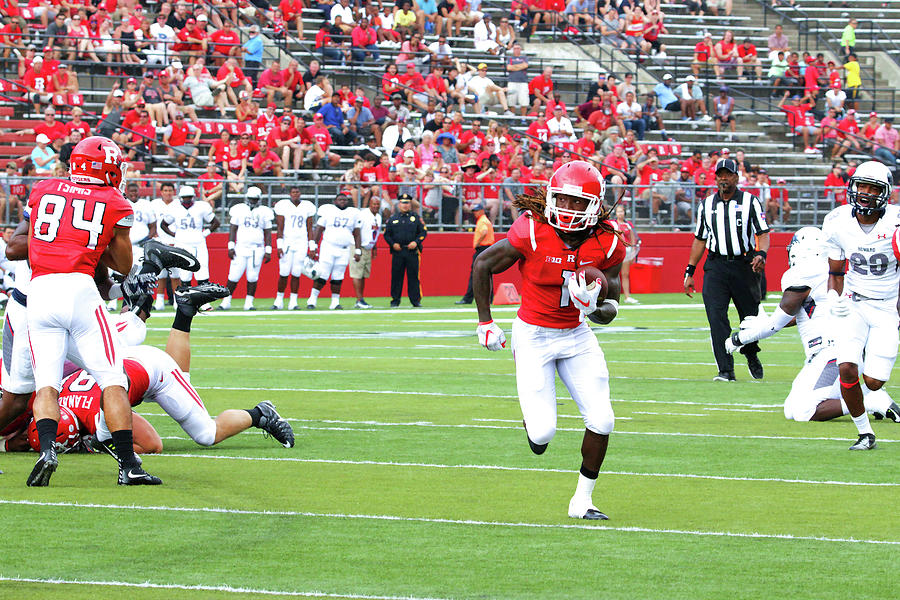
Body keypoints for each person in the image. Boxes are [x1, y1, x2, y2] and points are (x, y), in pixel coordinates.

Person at [471, 160, 624, 520]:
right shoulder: (532, 230)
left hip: (576, 334)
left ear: (596, 206)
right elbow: (482, 264)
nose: (568, 209)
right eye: (564, 200)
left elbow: (612, 303)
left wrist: (594, 306)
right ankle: (532, 420)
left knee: (602, 420)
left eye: (577, 202)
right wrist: (485, 321)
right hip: (534, 334)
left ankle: (582, 500)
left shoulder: (608, 239)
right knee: (541, 437)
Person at [24, 136, 158, 486]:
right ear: (107, 168)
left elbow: (31, 239)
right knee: (112, 379)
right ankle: (128, 464)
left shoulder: (43, 188)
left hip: (39, 290)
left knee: (47, 387)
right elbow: (125, 265)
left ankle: (48, 449)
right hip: (79, 290)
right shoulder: (115, 200)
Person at [725, 227, 900, 424]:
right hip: (844, 352)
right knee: (791, 409)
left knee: (804, 410)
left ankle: (869, 400)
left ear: (802, 249)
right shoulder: (832, 272)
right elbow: (803, 314)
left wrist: (739, 338)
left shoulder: (803, 273)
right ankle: (866, 393)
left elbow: (775, 324)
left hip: (831, 353)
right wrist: (763, 324)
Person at [820, 161, 900, 450]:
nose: (865, 193)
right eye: (861, 186)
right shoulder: (837, 221)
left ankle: (877, 399)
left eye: (873, 188)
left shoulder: (896, 223)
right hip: (854, 304)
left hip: (886, 308)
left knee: (874, 382)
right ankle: (865, 434)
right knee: (847, 370)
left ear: (885, 193)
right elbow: (835, 273)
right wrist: (832, 297)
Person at [684, 158, 769, 382]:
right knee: (716, 317)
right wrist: (689, 271)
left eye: (727, 174)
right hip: (716, 266)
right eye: (719, 174)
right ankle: (726, 370)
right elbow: (700, 239)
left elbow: (762, 232)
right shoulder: (706, 204)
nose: (723, 178)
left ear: (736, 177)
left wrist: (761, 254)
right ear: (716, 178)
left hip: (744, 265)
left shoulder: (751, 201)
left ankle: (751, 353)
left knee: (749, 318)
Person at [218, 187, 274, 311]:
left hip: (256, 249)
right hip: (241, 247)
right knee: (233, 275)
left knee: (252, 276)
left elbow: (268, 232)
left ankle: (249, 303)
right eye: (251, 199)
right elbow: (233, 228)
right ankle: (226, 301)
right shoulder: (239, 209)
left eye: (255, 199)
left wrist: (268, 250)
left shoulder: (265, 211)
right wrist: (231, 246)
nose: (253, 201)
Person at [308, 192, 362, 310]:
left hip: (344, 249)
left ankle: (335, 302)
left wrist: (358, 250)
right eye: (340, 199)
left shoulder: (353, 213)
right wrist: (313, 246)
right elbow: (319, 230)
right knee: (322, 274)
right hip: (328, 247)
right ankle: (312, 300)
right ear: (335, 201)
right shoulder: (328, 211)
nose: (342, 201)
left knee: (338, 276)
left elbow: (357, 234)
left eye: (344, 199)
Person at [160, 185, 220, 288]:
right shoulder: (174, 208)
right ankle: (187, 302)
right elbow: (163, 224)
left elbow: (216, 222)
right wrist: (175, 235)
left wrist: (204, 233)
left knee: (202, 270)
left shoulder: (201, 207)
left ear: (193, 197)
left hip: (198, 243)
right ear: (180, 197)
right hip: (182, 243)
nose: (187, 200)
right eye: (185, 197)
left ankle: (204, 302)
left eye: (189, 197)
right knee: (184, 274)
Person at [273, 185, 317, 310]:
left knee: (296, 273)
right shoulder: (283, 206)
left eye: (297, 192)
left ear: (300, 193)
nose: (295, 194)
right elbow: (280, 228)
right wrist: (279, 245)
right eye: (293, 192)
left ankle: (293, 301)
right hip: (287, 242)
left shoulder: (307, 206)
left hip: (301, 242)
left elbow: (309, 228)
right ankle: (279, 301)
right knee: (284, 272)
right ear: (290, 194)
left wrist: (312, 247)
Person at [383, 193, 427, 307]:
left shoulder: (415, 218)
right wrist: (393, 244)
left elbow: (423, 232)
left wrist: (416, 242)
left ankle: (415, 300)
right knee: (396, 277)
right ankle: (395, 300)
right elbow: (387, 235)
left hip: (412, 251)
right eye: (403, 203)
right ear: (399, 204)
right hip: (398, 252)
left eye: (407, 203)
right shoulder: (393, 219)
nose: (405, 205)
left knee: (413, 277)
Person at [456, 202, 494, 305]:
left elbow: (484, 232)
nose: (475, 213)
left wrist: (477, 243)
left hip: (482, 248)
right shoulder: (486, 220)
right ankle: (490, 298)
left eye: (476, 211)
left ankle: (468, 298)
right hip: (488, 249)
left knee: (475, 275)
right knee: (487, 275)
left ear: (482, 211)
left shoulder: (482, 221)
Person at [351, 196, 382, 309]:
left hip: (368, 247)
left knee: (363, 275)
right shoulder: (363, 214)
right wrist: (357, 250)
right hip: (359, 247)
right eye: (374, 204)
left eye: (378, 204)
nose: (376, 206)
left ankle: (360, 299)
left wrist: (374, 247)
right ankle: (359, 300)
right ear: (369, 204)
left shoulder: (378, 217)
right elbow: (356, 231)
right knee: (357, 274)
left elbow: (375, 232)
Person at [614, 204, 640, 304]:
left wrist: (633, 250)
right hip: (617, 251)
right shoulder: (613, 224)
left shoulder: (628, 224)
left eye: (622, 211)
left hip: (627, 250)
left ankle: (627, 296)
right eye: (618, 211)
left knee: (625, 274)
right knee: (614, 274)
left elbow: (633, 237)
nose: (620, 214)